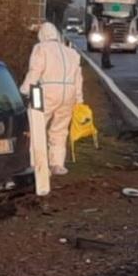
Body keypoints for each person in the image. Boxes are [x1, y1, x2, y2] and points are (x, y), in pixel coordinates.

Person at [21, 22, 84, 176]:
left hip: (45, 91)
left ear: (42, 35)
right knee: (60, 130)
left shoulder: (41, 49)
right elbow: (78, 78)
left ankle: (38, 164)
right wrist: (79, 99)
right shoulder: (71, 53)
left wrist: (24, 90)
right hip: (68, 94)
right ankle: (57, 164)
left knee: (37, 126)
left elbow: (35, 71)